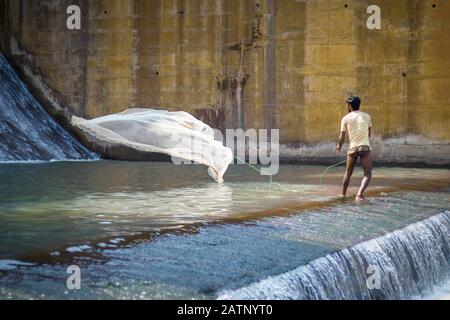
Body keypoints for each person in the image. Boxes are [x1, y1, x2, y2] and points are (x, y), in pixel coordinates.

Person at [336, 96, 373, 201]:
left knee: (348, 173)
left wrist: (339, 146)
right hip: (364, 148)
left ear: (350, 106)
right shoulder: (367, 116)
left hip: (352, 149)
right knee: (368, 174)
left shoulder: (345, 118)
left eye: (348, 104)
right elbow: (369, 132)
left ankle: (343, 195)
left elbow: (342, 136)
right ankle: (359, 194)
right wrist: (365, 142)